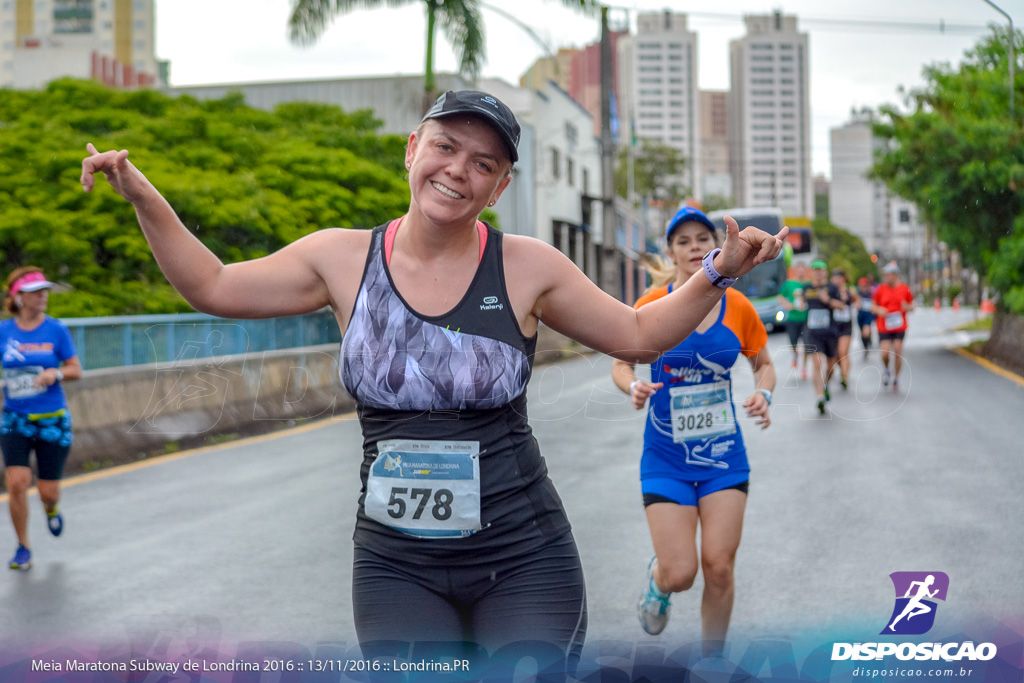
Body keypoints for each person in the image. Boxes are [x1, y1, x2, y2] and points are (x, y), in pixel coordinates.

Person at [81, 90, 787, 673]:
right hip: (396, 564)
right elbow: (213, 284)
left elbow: (638, 335)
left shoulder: (527, 266)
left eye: (484, 163)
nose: (458, 170)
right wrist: (143, 195)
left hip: (523, 554)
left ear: (501, 185)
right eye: (446, 147)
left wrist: (717, 273)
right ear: (412, 148)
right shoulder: (341, 258)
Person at [611, 206, 777, 652]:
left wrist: (765, 394)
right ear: (671, 252)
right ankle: (658, 580)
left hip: (725, 458)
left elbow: (763, 363)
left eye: (703, 238)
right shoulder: (652, 304)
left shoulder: (737, 305)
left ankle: (712, 662)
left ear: (718, 246)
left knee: (719, 567)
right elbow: (621, 362)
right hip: (665, 458)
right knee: (682, 572)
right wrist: (633, 386)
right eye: (683, 242)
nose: (694, 247)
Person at [1, 267, 82, 570]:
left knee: (48, 491)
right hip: (15, 420)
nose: (43, 296)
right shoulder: (3, 332)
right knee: (17, 483)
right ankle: (23, 547)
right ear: (19, 297)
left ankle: (51, 508)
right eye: (36, 292)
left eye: (44, 291)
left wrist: (55, 373)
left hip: (52, 420)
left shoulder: (56, 330)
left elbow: (76, 369)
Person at [802, 260, 844, 415]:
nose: (818, 273)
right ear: (812, 272)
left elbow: (842, 306)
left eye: (820, 270)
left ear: (825, 272)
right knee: (816, 362)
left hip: (830, 332)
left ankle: (825, 384)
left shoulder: (832, 288)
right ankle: (820, 397)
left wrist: (829, 301)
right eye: (815, 270)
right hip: (812, 332)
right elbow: (801, 303)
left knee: (831, 365)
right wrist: (797, 304)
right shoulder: (806, 288)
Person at [872, 262, 914, 390]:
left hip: (899, 326)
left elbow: (912, 306)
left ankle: (895, 377)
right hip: (884, 326)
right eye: (885, 275)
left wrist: (906, 307)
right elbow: (873, 306)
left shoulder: (905, 288)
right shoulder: (880, 289)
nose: (886, 278)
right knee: (884, 353)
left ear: (895, 275)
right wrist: (879, 310)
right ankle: (886, 369)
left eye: (888, 275)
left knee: (898, 351)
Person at [777, 262, 809, 380]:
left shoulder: (808, 284)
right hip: (792, 318)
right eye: (799, 269)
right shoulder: (789, 283)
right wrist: (787, 304)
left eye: (803, 269)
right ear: (796, 271)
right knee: (793, 343)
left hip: (805, 318)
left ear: (805, 271)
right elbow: (780, 296)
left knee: (807, 343)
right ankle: (795, 356)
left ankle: (804, 367)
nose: (801, 272)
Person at [829, 268, 857, 390]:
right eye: (835, 277)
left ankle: (844, 378)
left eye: (839, 277)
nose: (837, 280)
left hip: (845, 325)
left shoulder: (849, 290)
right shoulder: (830, 291)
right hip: (833, 326)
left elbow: (857, 300)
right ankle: (842, 371)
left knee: (843, 352)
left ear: (843, 279)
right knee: (835, 355)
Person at [856, 276, 877, 359]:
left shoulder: (871, 294)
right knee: (862, 334)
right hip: (860, 315)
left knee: (866, 331)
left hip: (868, 315)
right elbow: (856, 305)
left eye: (865, 286)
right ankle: (865, 347)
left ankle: (868, 342)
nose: (863, 288)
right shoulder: (858, 294)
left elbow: (875, 303)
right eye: (861, 286)